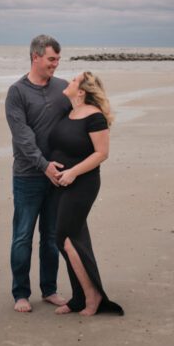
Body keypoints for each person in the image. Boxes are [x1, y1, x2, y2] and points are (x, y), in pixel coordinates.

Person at [49, 70, 124, 316]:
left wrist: (73, 172)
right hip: (60, 185)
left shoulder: (95, 117)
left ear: (81, 91)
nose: (68, 81)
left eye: (73, 80)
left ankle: (93, 296)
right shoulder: (69, 112)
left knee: (65, 237)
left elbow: (102, 153)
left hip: (82, 184)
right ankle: (79, 298)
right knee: (74, 240)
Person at [5, 34, 71, 313]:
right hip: (28, 176)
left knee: (51, 236)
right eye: (51, 59)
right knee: (22, 235)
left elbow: (78, 119)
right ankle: (21, 293)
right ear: (35, 57)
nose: (56, 64)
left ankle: (49, 289)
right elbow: (22, 137)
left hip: (58, 176)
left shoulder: (63, 88)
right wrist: (43, 165)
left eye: (58, 59)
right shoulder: (17, 92)